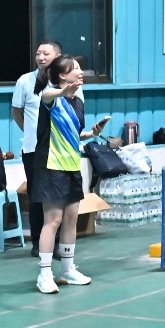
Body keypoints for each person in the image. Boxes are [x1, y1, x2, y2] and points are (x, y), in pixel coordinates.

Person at [31, 55, 97, 294]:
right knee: (53, 221)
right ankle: (44, 274)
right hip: (51, 167)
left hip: (71, 166)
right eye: (75, 68)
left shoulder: (77, 101)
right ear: (62, 75)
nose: (80, 72)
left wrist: (91, 133)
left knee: (71, 219)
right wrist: (62, 91)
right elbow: (46, 96)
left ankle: (67, 270)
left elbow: (72, 133)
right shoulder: (51, 97)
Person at [11, 40, 77, 253]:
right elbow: (16, 112)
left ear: (58, 57)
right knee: (38, 196)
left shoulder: (68, 83)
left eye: (46, 53)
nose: (40, 57)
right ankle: (38, 243)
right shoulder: (25, 81)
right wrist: (34, 134)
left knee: (61, 199)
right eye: (38, 53)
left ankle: (58, 244)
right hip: (34, 150)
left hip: (61, 151)